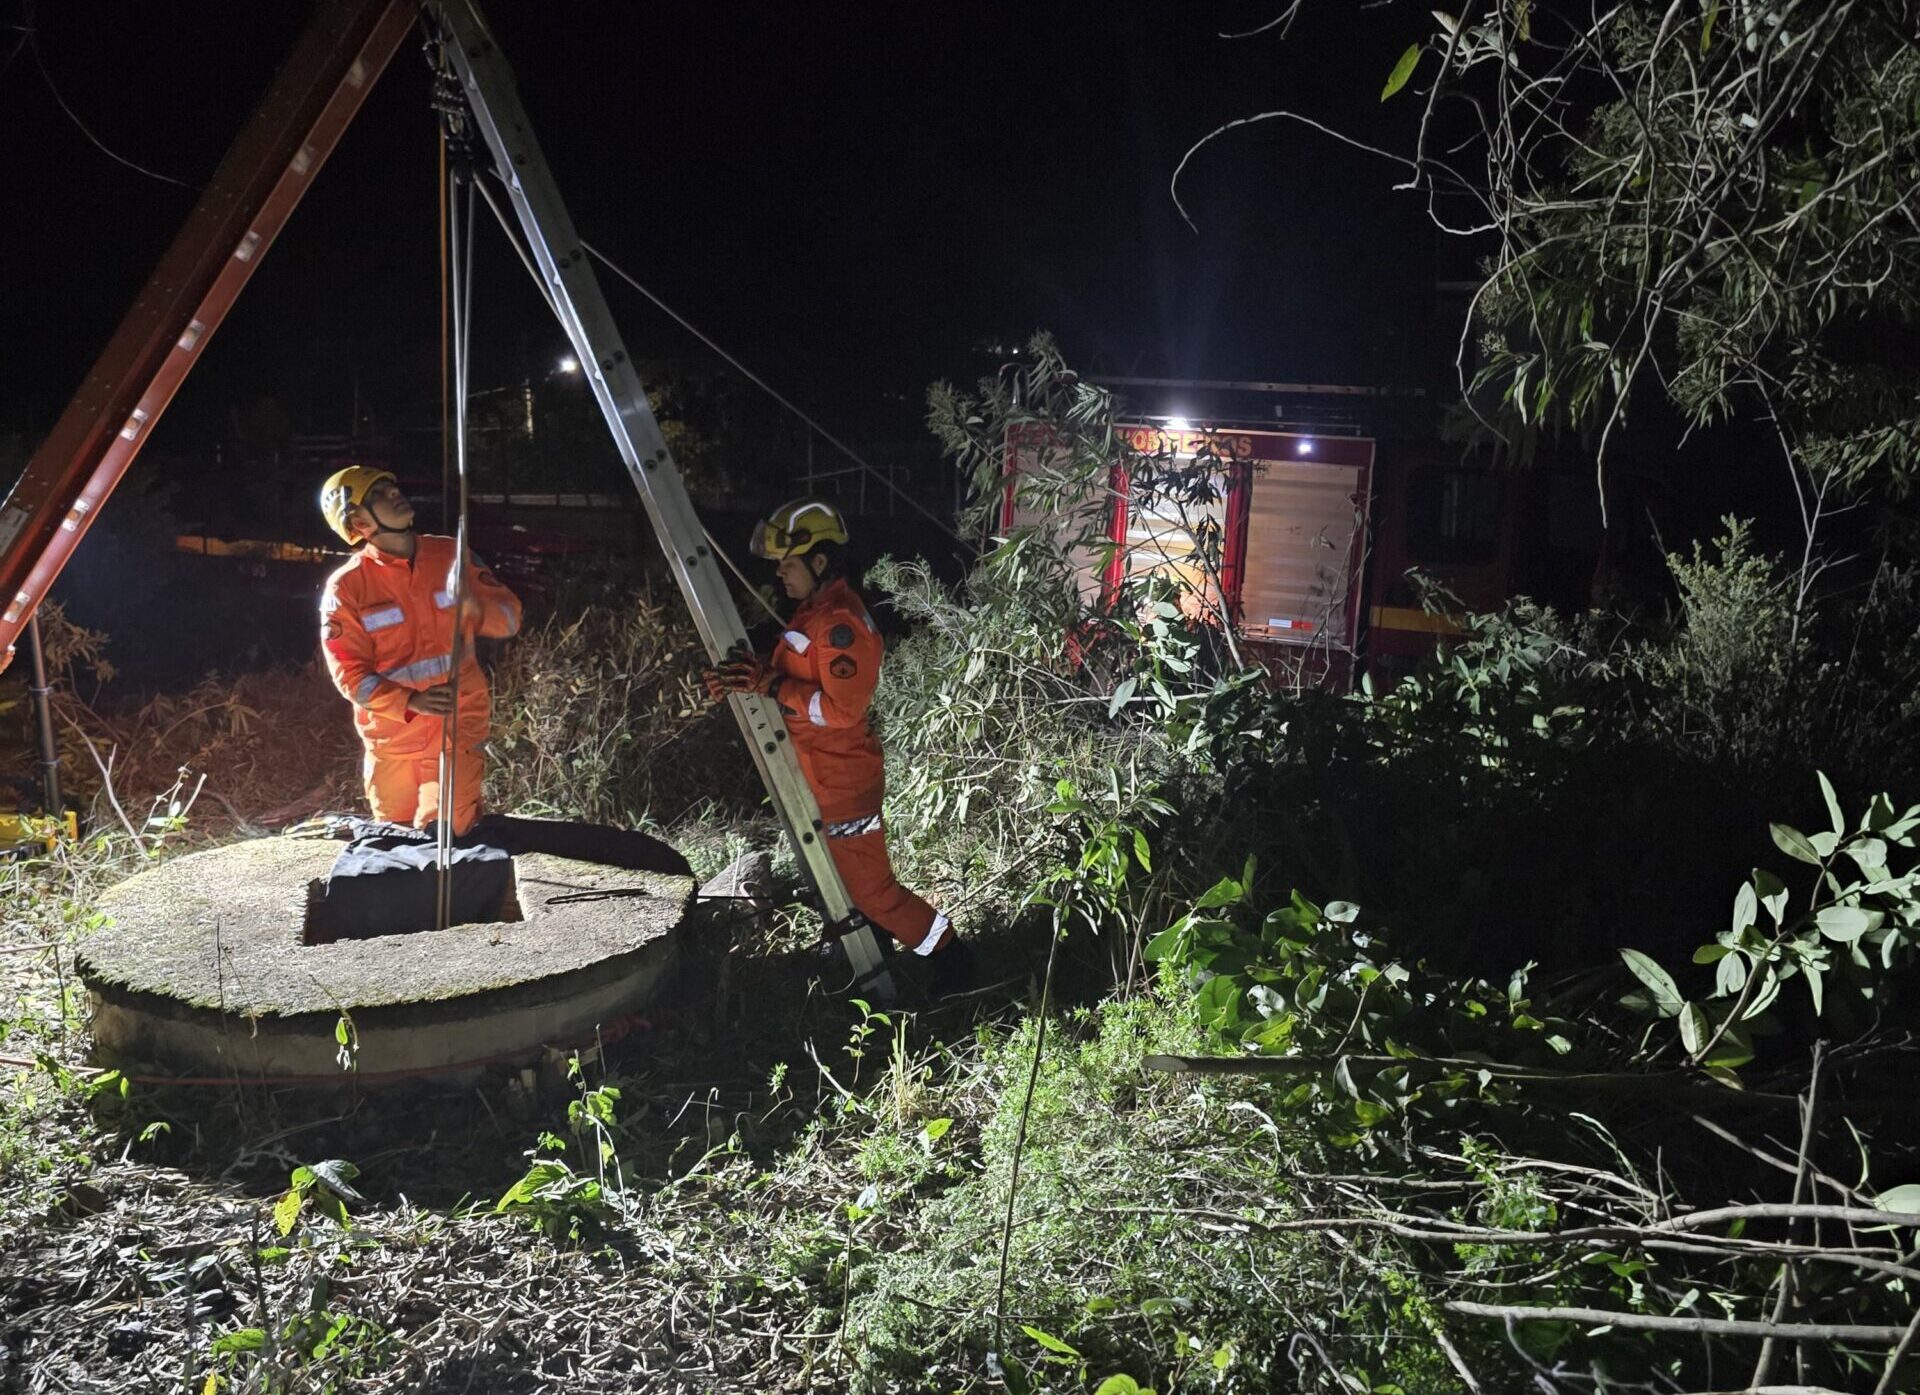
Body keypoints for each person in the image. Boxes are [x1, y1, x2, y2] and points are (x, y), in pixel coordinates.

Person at [705, 497, 972, 991]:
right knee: (849, 886)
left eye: (788, 564)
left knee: (875, 894)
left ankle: (954, 962)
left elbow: (841, 710)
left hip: (845, 781)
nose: (780, 575)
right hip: (824, 776)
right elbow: (796, 669)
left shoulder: (840, 625)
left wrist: (769, 686)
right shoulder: (815, 614)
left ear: (819, 561)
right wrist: (745, 677)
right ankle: (875, 960)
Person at [317, 466, 521, 836]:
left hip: (456, 729)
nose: (394, 492)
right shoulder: (347, 587)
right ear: (358, 521)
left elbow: (509, 619)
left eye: (392, 485)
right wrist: (410, 701)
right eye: (378, 493)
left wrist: (479, 611)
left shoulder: (452, 556)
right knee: (395, 838)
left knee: (447, 834)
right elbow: (350, 674)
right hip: (393, 742)